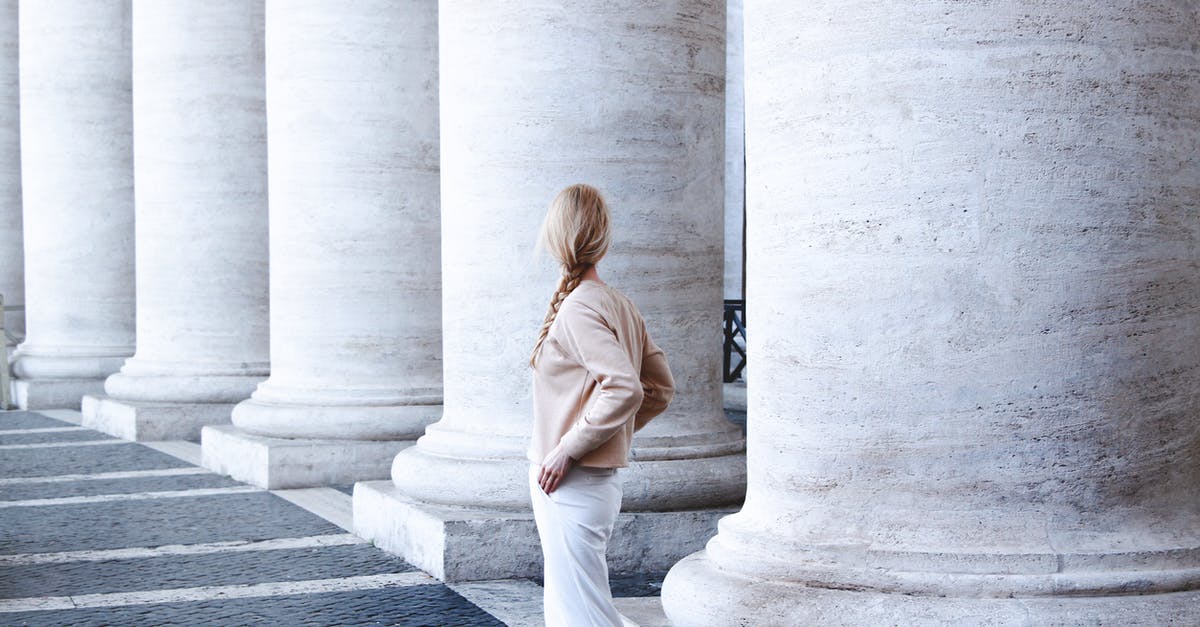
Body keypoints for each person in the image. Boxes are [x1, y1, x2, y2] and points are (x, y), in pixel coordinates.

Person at [527, 183, 676, 626]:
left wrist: (572, 445)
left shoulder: (577, 308)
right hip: (587, 481)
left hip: (569, 480)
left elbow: (627, 388)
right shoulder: (620, 304)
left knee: (579, 614)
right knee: (582, 606)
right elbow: (660, 388)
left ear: (554, 237)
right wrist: (610, 434)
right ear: (601, 238)